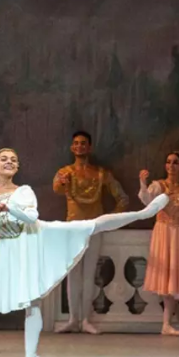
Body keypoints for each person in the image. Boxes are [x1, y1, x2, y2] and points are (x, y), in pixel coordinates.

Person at [0, 103, 168, 357]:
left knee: (91, 225)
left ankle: (143, 213)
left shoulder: (23, 191)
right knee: (29, 302)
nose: (9, 162)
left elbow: (31, 217)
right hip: (8, 247)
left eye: (13, 159)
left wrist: (9, 207)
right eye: (3, 159)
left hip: (34, 237)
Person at [52, 131, 129, 334]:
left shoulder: (101, 173)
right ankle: (73, 319)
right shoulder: (65, 172)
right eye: (76, 143)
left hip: (94, 227)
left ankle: (86, 319)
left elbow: (122, 198)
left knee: (89, 273)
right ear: (72, 147)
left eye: (83, 143)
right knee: (73, 274)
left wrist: (109, 220)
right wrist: (62, 182)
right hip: (72, 228)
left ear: (89, 147)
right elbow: (56, 188)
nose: (79, 146)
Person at [138, 151, 179, 336]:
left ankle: (177, 317)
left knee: (175, 277)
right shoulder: (158, 186)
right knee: (166, 278)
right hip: (163, 232)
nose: (171, 166)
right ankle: (167, 323)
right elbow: (148, 203)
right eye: (168, 162)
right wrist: (142, 183)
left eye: (175, 162)